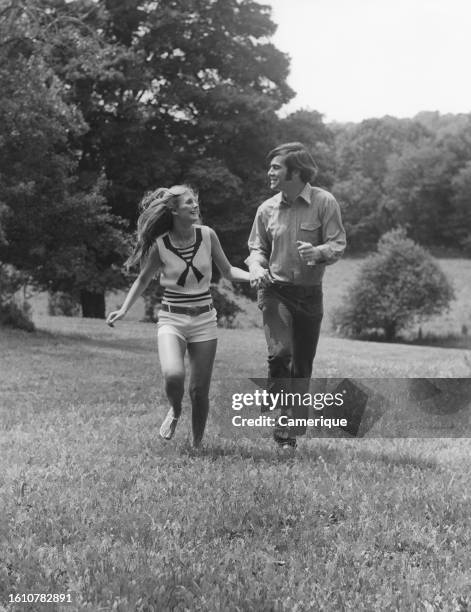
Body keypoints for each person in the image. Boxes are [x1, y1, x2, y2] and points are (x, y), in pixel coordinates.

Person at [106, 185, 250, 447]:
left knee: (199, 391)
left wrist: (254, 276)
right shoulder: (160, 245)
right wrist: (124, 309)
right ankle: (175, 410)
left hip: (205, 320)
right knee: (173, 375)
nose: (195, 206)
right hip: (172, 319)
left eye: (195, 202)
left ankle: (197, 444)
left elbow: (228, 271)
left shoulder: (207, 236)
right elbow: (143, 279)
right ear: (173, 210)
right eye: (188, 203)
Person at [246, 142, 346, 450]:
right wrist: (255, 266)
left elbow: (338, 243)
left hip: (309, 295)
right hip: (275, 290)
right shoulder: (266, 209)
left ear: (296, 172)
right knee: (280, 355)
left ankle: (289, 427)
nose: (269, 172)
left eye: (276, 167)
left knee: (302, 366)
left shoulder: (324, 202)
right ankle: (281, 413)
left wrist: (317, 252)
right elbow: (256, 250)